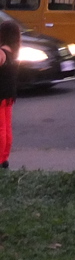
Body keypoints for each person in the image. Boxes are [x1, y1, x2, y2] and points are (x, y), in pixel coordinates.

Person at [0, 20, 21, 169]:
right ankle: (5, 157)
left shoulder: (1, 52)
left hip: (0, 94)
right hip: (9, 95)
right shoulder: (15, 53)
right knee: (7, 127)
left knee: (0, 128)